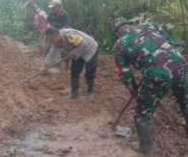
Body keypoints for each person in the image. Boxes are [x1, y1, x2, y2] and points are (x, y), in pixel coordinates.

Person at [112, 17, 188, 154]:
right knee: (185, 101)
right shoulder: (151, 25)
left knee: (141, 114)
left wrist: (134, 90)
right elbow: (167, 41)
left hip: (157, 74)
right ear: (129, 24)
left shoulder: (119, 45)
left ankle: (145, 147)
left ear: (117, 32)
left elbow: (124, 74)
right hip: (180, 63)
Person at [40, 26, 98, 101]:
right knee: (74, 72)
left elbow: (84, 44)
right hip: (78, 51)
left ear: (56, 35)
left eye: (51, 39)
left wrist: (72, 53)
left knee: (90, 72)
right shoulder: (56, 42)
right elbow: (52, 53)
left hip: (90, 49)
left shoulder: (69, 35)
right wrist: (45, 66)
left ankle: (90, 92)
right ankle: (74, 94)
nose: (51, 41)